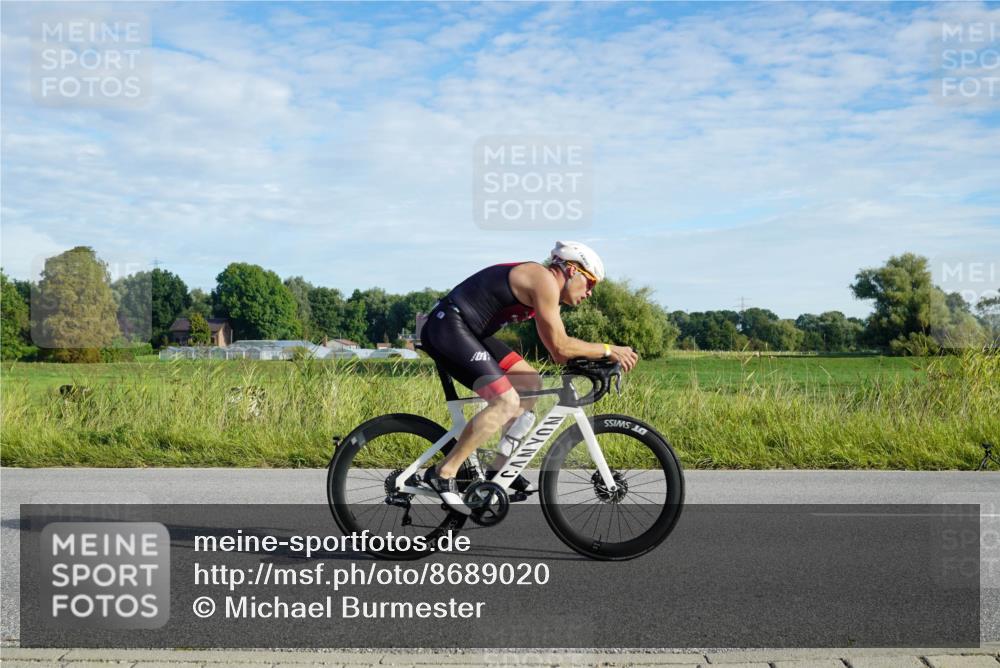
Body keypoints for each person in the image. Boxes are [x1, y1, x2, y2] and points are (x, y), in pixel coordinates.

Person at [418, 241, 639, 514]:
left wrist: (595, 359)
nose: (591, 293)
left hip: (470, 332)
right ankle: (443, 473)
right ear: (572, 270)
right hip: (448, 326)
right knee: (506, 402)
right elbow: (561, 347)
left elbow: (560, 352)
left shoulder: (547, 289)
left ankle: (498, 469)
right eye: (590, 282)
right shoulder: (543, 280)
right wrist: (608, 350)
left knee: (529, 383)